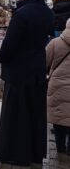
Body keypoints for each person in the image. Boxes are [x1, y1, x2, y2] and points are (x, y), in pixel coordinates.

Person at [0, 0, 54, 167]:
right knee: (35, 114)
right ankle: (35, 154)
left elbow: (9, 45)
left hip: (18, 73)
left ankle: (16, 154)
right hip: (38, 70)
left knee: (16, 115)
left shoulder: (22, 14)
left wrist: (2, 57)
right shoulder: (47, 13)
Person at [46, 18, 70, 155]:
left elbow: (45, 61)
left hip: (57, 86)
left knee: (59, 116)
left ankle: (60, 147)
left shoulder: (55, 43)